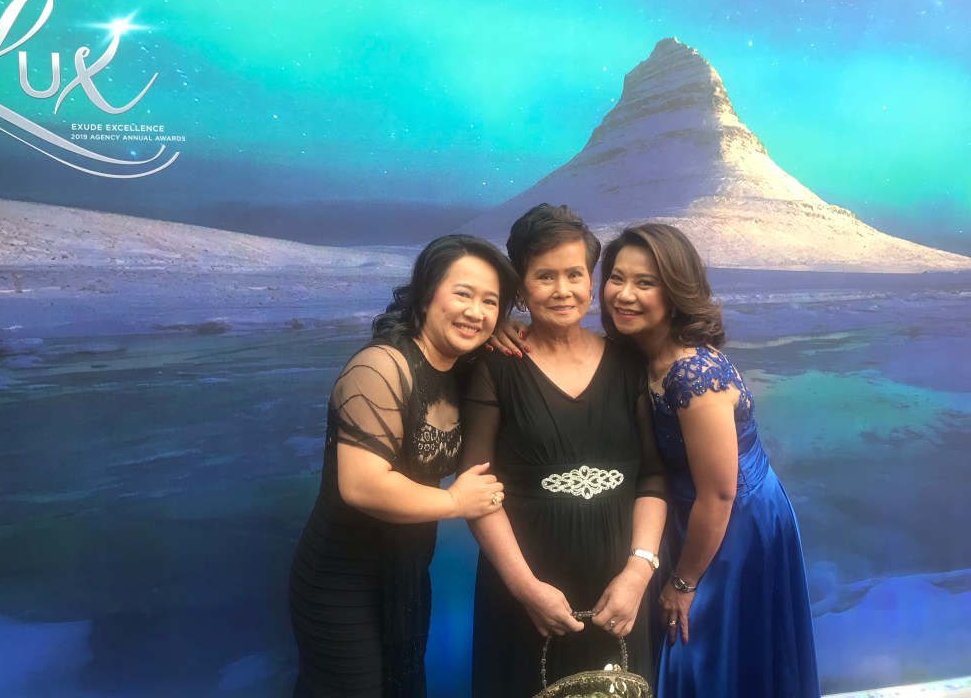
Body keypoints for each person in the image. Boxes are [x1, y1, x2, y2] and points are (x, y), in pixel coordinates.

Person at [288, 234, 519, 697]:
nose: (476, 311)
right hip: (340, 583)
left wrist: (504, 334)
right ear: (427, 293)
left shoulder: (460, 368)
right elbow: (362, 485)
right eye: (463, 294)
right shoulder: (380, 367)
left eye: (490, 302)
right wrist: (456, 501)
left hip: (407, 578)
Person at [599, 223, 820, 698]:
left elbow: (720, 493)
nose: (624, 294)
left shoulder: (694, 375)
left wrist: (683, 582)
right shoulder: (637, 352)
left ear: (675, 292)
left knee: (702, 650)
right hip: (692, 514)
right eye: (617, 277)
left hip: (735, 524)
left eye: (645, 282)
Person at [460, 204, 668, 696]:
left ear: (591, 281)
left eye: (574, 274)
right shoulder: (494, 366)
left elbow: (653, 477)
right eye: (544, 276)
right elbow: (476, 489)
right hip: (525, 588)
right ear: (520, 286)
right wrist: (525, 588)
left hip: (620, 589)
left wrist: (639, 572)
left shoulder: (629, 363)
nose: (562, 290)